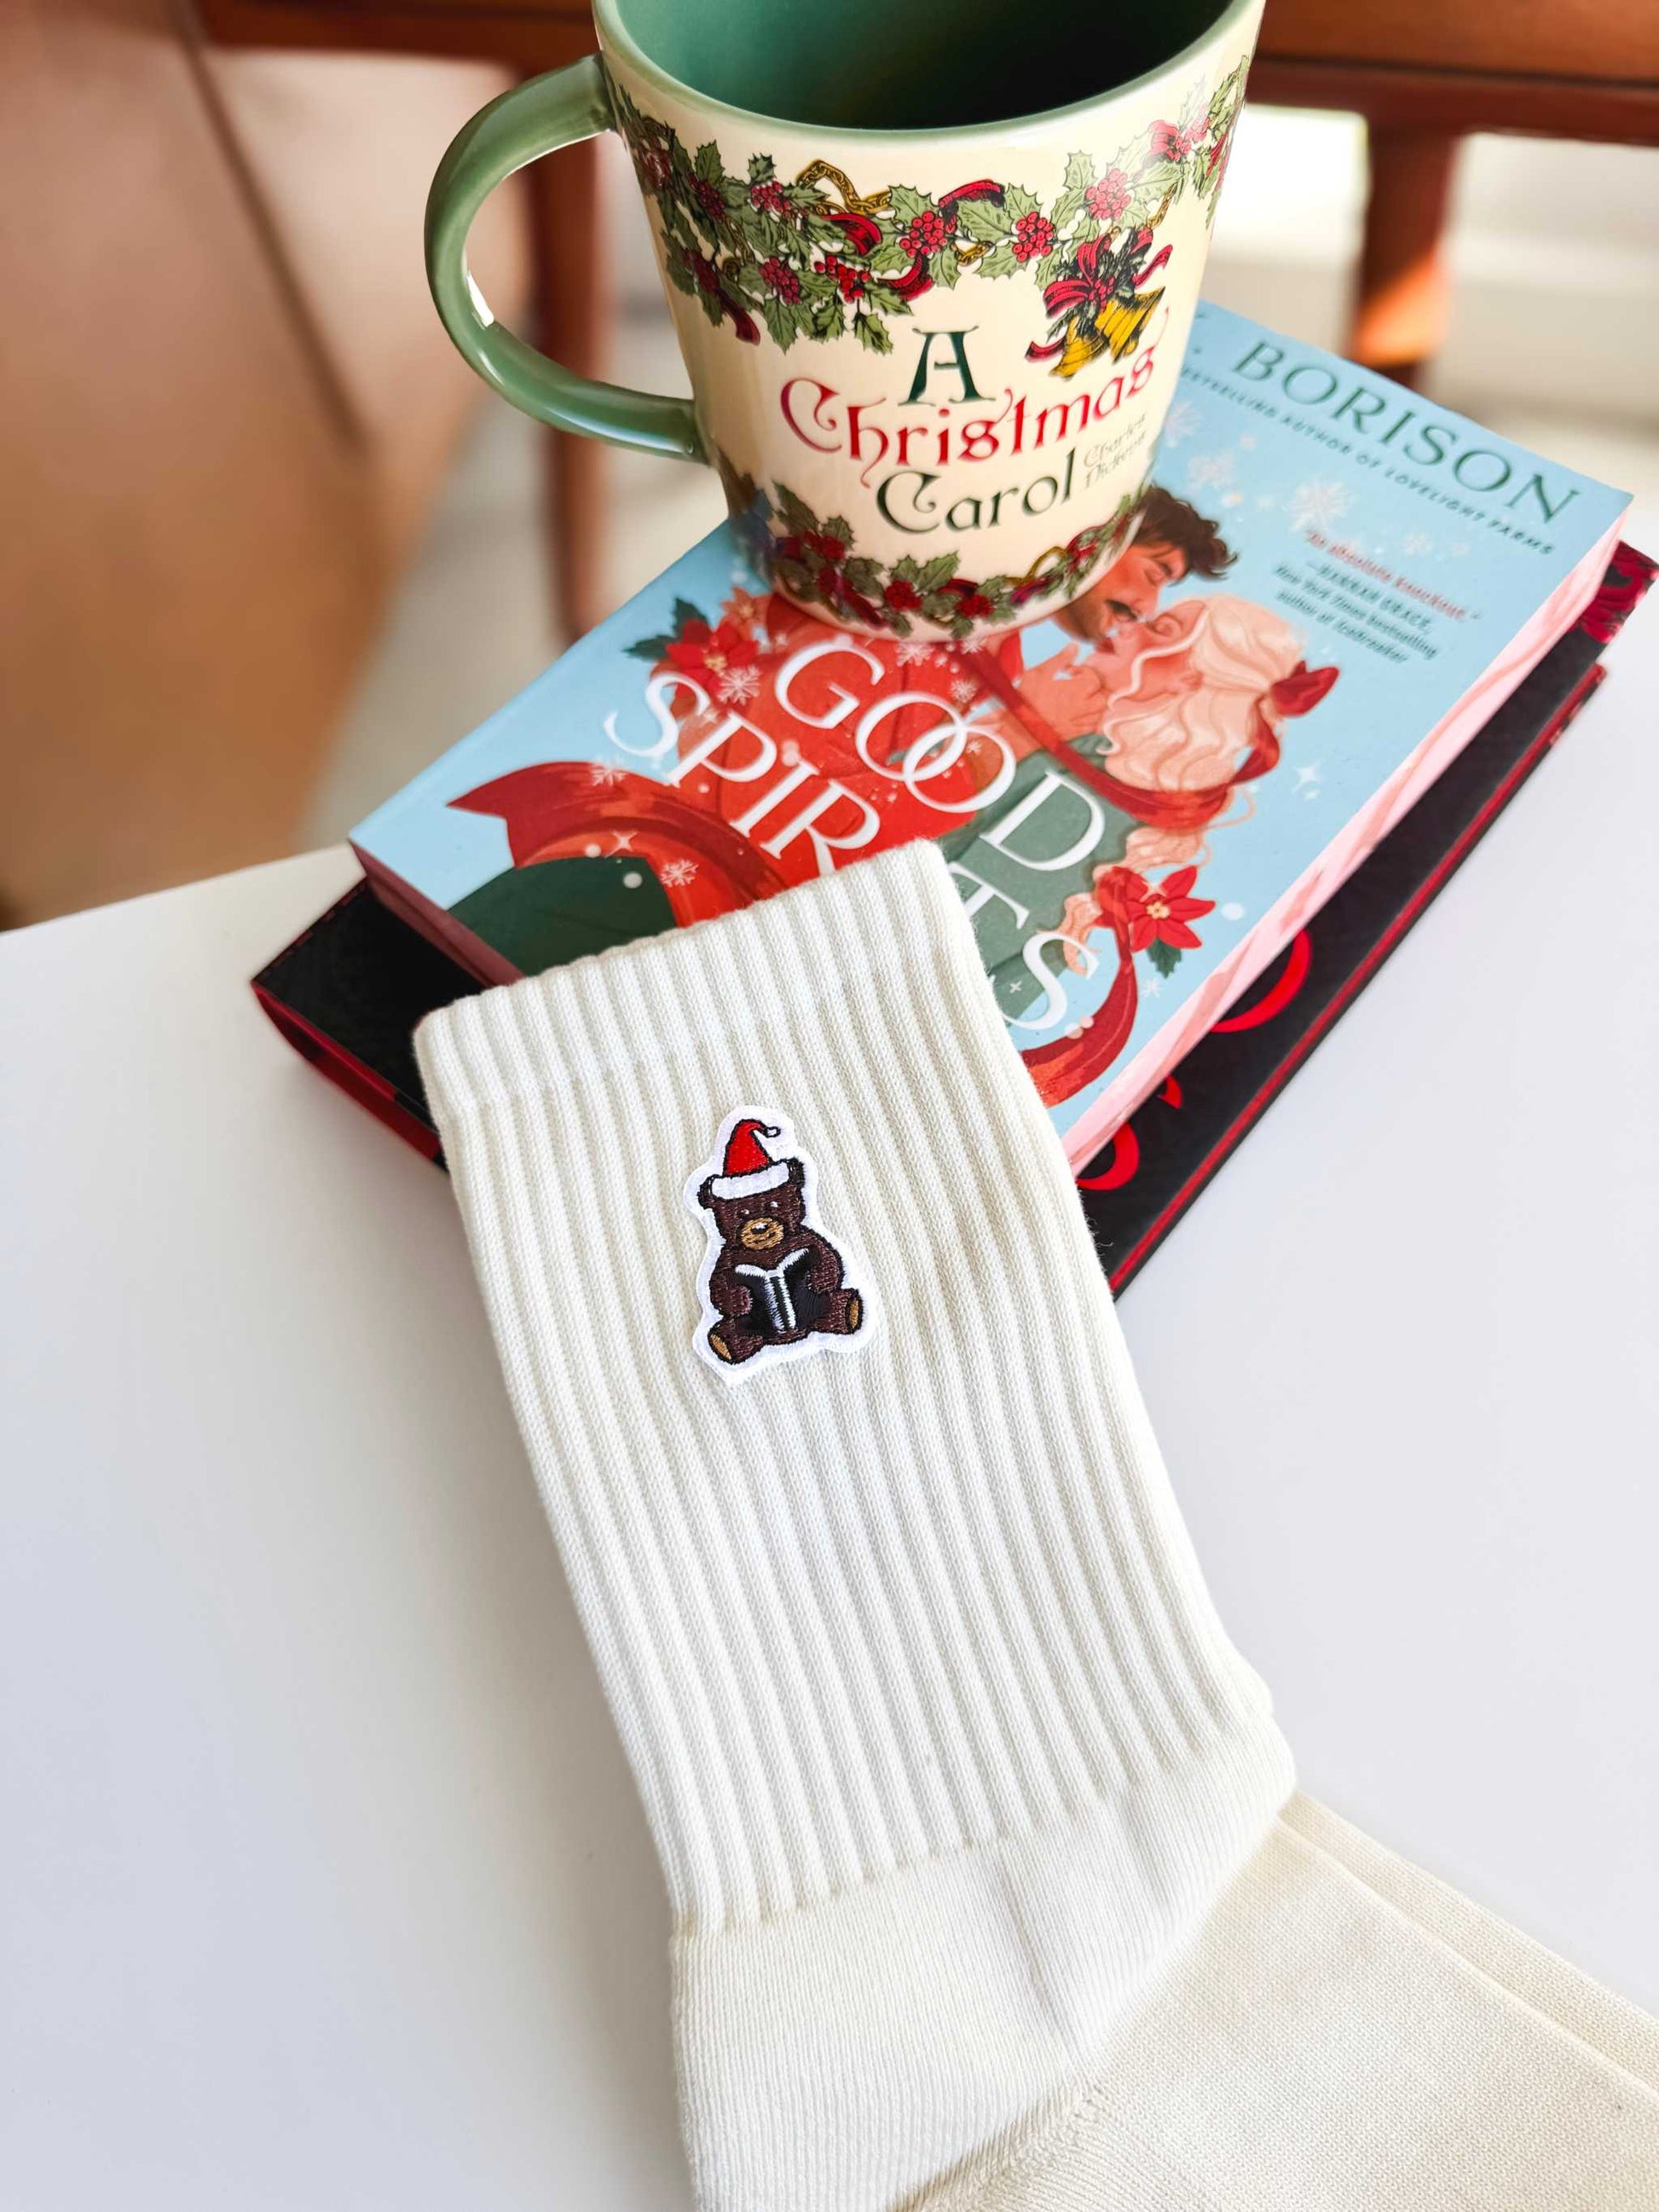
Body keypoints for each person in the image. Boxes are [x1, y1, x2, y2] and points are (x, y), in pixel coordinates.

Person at [942, 590, 1337, 1033]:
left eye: (1160, 630)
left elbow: (926, 845)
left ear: (1190, 679)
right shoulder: (1107, 764)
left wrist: (1019, 730)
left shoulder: (1104, 785)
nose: (1126, 625)